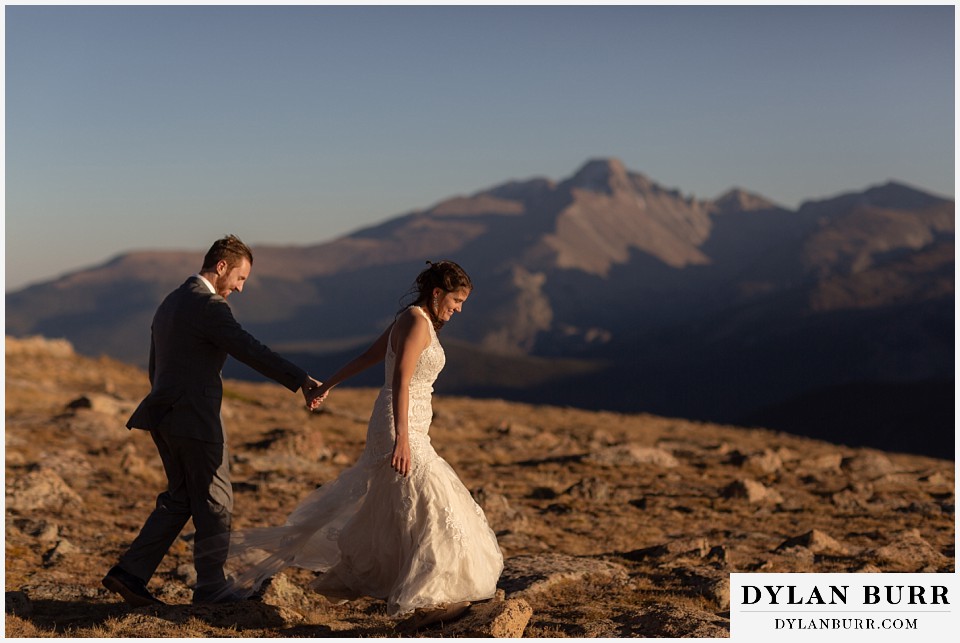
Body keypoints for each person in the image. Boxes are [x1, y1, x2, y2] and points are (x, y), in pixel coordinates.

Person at [211, 260, 503, 630]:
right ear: (437, 293)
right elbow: (400, 379)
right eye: (457, 299)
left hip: (408, 423)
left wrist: (327, 384)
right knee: (432, 495)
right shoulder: (414, 321)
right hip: (401, 424)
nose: (458, 308)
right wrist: (402, 439)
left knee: (403, 502)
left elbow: (369, 356)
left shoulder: (413, 318)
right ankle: (430, 595)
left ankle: (414, 587)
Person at [101, 234, 323, 606]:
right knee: (216, 500)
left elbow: (156, 364)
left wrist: (165, 401)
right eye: (239, 278)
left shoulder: (171, 301)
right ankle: (211, 587)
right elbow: (249, 349)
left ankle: (129, 574)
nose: (240, 287)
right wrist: (300, 379)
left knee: (181, 498)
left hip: (164, 414)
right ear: (221, 267)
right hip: (195, 419)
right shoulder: (209, 307)